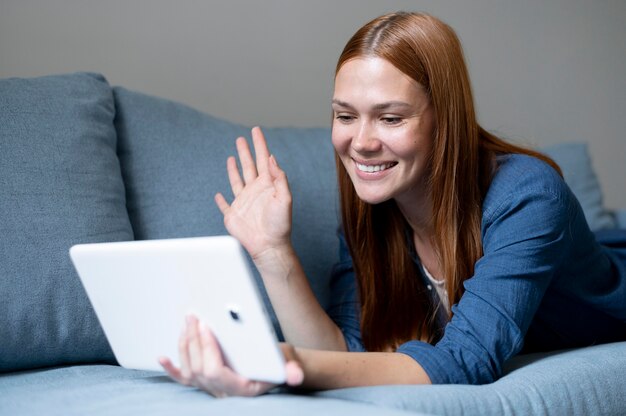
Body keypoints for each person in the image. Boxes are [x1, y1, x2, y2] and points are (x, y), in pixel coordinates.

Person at [159, 11, 626, 396]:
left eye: (390, 117)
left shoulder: (529, 195)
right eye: (345, 116)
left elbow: (466, 361)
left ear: (446, 122)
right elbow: (350, 356)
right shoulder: (372, 202)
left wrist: (285, 363)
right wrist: (272, 251)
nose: (360, 143)